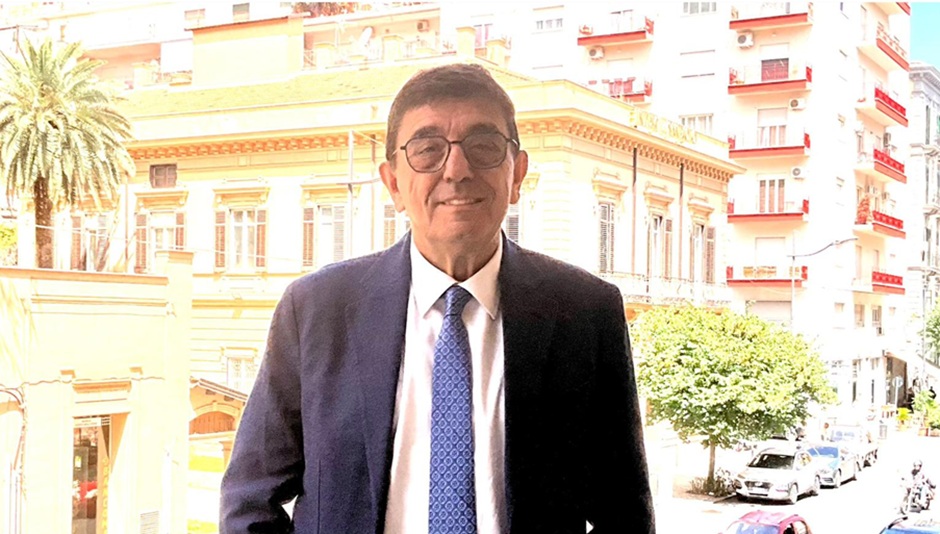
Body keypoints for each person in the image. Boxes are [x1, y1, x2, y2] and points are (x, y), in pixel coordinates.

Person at [219, 63, 655, 533]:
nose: (457, 170)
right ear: (393, 184)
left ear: (517, 175)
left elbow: (625, 514)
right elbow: (249, 501)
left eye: (483, 146)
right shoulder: (316, 311)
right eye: (427, 150)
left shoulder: (584, 314)